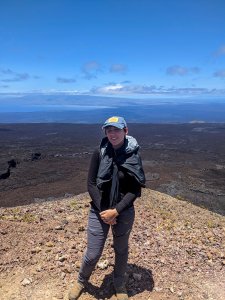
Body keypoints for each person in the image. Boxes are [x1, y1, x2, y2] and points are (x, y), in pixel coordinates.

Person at [68, 116, 145, 300]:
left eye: (116, 129)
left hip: (123, 211)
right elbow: (91, 183)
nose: (112, 133)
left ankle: (119, 283)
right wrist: (105, 213)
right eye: (109, 130)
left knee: (121, 249)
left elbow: (135, 189)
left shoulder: (133, 155)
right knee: (93, 253)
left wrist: (116, 211)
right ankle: (81, 280)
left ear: (125, 131)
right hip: (99, 209)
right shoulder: (100, 152)